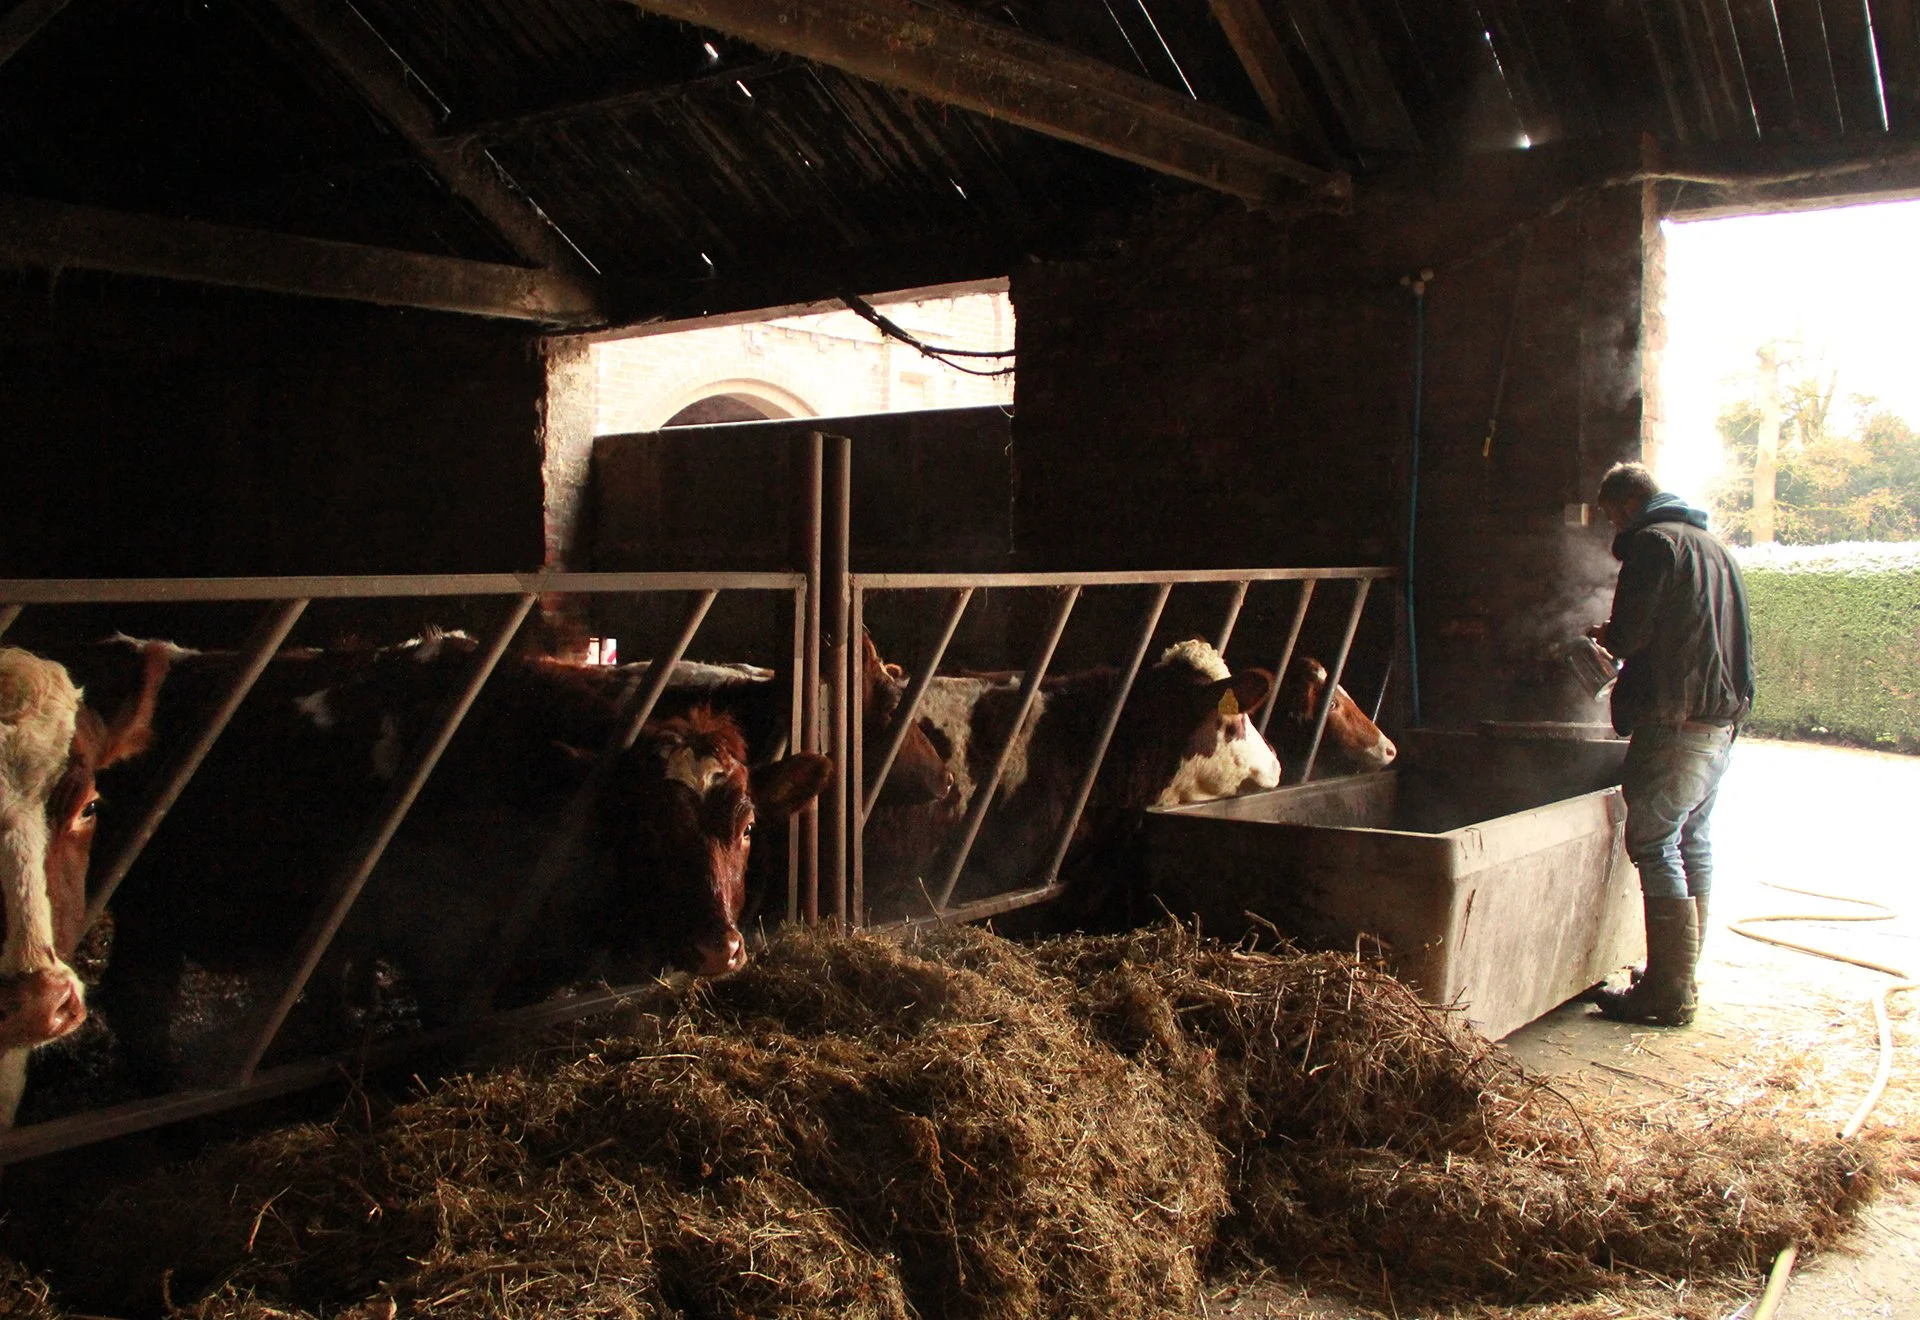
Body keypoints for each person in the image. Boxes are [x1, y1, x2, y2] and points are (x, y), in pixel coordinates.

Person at [1586, 462, 1754, 1027]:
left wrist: (1602, 638)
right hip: (1719, 721)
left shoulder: (1654, 544)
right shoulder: (1714, 546)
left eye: (1612, 516)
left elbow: (1631, 633)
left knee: (1655, 843)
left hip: (1675, 717)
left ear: (1627, 506)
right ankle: (1679, 977)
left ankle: (1668, 994)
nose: (1613, 527)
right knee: (1692, 839)